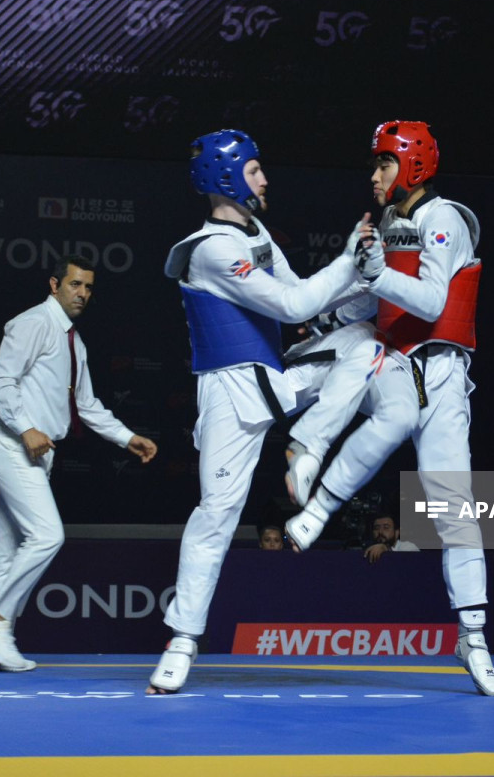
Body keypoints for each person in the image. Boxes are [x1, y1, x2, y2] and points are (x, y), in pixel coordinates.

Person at [150, 128, 385, 694]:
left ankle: (309, 445)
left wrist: (375, 280)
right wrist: (351, 256)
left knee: (365, 341)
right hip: (230, 395)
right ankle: (182, 640)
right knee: (217, 514)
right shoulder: (211, 249)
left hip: (278, 377)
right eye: (255, 171)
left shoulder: (255, 232)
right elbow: (294, 303)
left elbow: (305, 295)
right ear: (227, 178)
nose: (265, 179)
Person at [285, 120, 494, 696]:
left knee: (455, 510)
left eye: (384, 163)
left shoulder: (445, 220)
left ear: (411, 165)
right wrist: (328, 319)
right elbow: (373, 291)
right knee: (387, 420)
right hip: (395, 360)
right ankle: (316, 509)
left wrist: (378, 272)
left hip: (444, 372)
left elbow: (433, 299)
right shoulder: (387, 223)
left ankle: (473, 638)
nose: (374, 174)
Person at [0, 256, 158, 672]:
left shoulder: (76, 341)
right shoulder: (35, 322)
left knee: (6, 554)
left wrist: (127, 437)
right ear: (55, 284)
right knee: (46, 536)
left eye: (89, 288)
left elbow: (87, 405)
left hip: (36, 454)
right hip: (9, 444)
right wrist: (24, 428)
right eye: (75, 285)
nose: (83, 294)